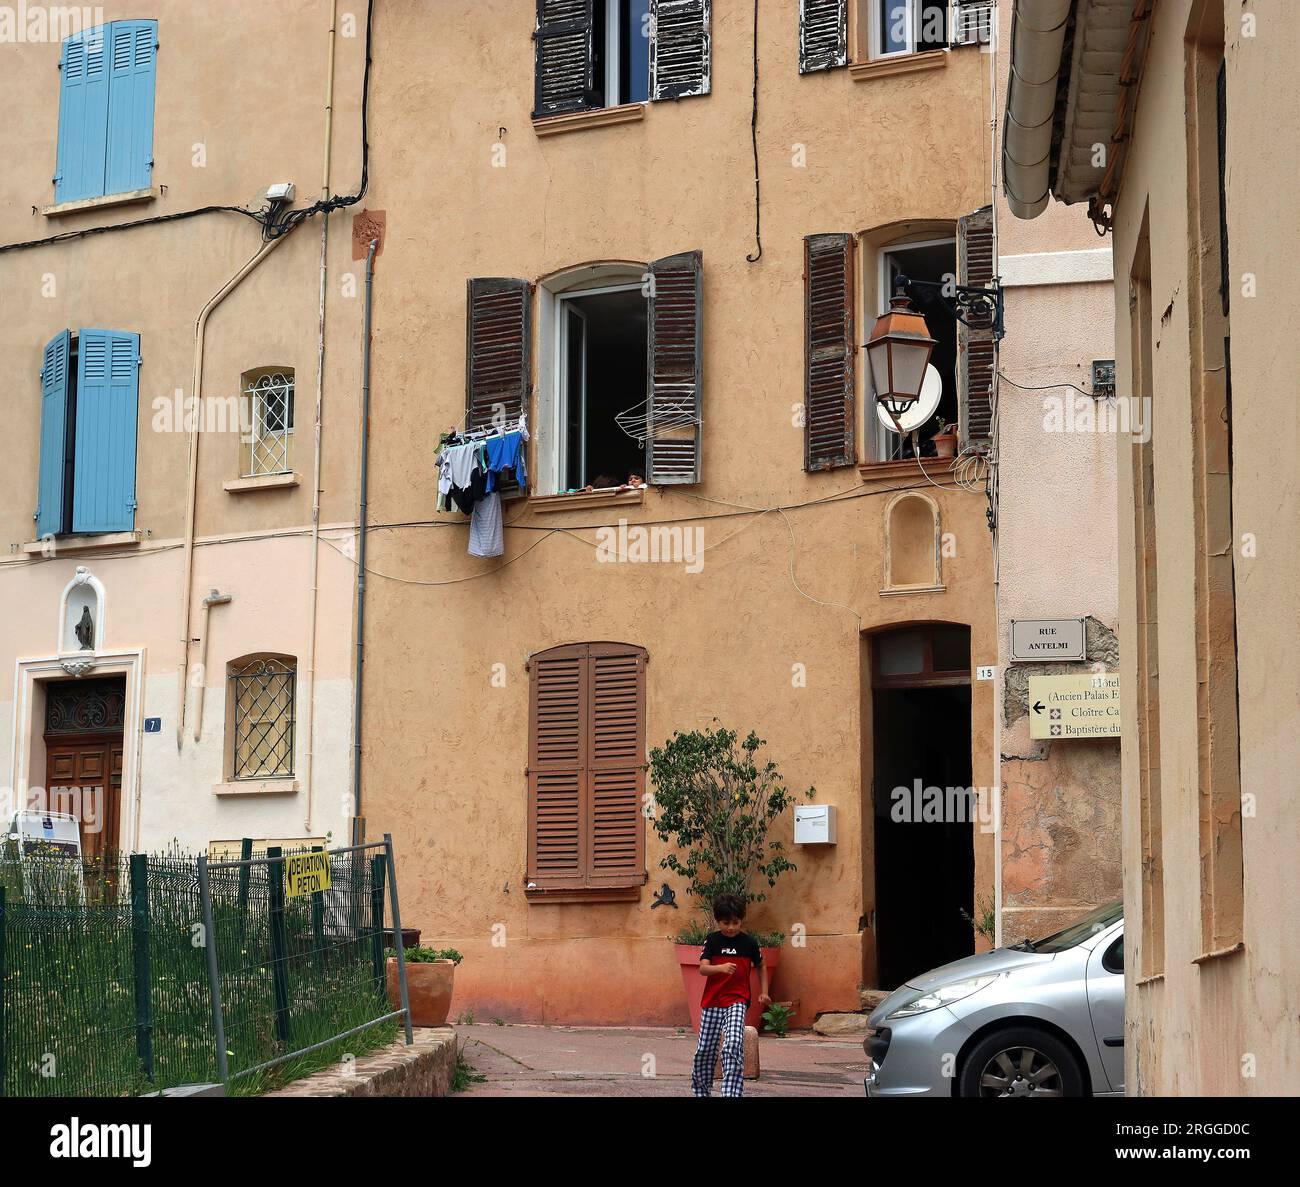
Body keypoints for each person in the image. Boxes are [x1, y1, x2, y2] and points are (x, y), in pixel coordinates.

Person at [691, 893, 769, 1097]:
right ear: (718, 921)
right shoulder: (713, 941)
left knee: (733, 1044)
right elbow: (703, 969)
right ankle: (701, 1091)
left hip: (738, 1000)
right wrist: (721, 968)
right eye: (726, 923)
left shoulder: (749, 943)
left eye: (736, 922)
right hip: (712, 1002)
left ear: (741, 920)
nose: (732, 927)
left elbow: (761, 966)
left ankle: (732, 1093)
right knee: (705, 1050)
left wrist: (764, 992)